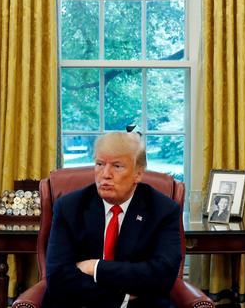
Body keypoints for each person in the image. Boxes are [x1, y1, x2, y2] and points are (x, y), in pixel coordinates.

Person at [43, 132, 181, 308]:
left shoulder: (163, 210)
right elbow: (57, 278)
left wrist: (96, 268)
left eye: (117, 166)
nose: (105, 174)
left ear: (138, 174)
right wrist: (120, 298)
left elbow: (162, 275)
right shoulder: (69, 207)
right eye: (100, 164)